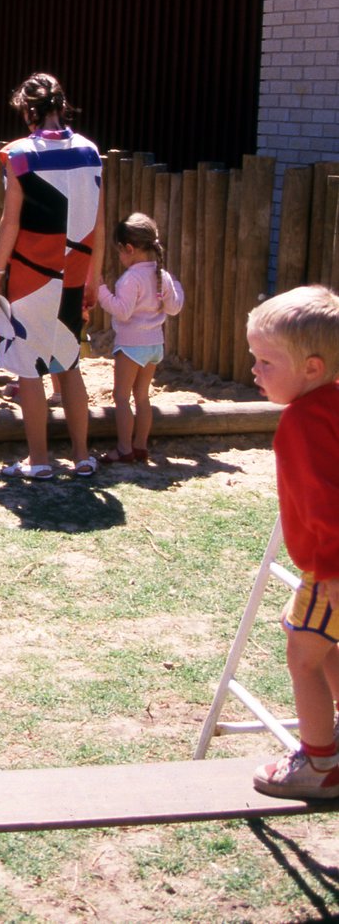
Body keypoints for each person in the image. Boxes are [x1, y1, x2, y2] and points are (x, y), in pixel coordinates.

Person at [245, 285, 339, 801]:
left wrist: (329, 572)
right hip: (331, 564)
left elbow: (327, 503)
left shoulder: (302, 423)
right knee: (325, 647)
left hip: (331, 567)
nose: (255, 371)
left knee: (302, 654)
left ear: (310, 367)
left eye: (266, 362)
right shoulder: (332, 403)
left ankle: (320, 763)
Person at [0, 72, 105, 480]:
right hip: (74, 273)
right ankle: (83, 457)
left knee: (29, 367)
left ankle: (38, 461)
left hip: (31, 273)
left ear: (27, 109)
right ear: (61, 105)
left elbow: (10, 223)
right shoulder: (90, 152)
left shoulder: (19, 154)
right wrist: (95, 277)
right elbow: (99, 223)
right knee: (68, 364)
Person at [95, 213, 184, 463]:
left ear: (129, 249)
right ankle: (141, 446)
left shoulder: (130, 279)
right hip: (155, 344)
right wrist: (176, 285)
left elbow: (122, 311)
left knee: (121, 397)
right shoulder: (162, 275)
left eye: (120, 252)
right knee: (142, 396)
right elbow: (174, 307)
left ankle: (124, 448)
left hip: (131, 344)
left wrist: (101, 290)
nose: (120, 257)